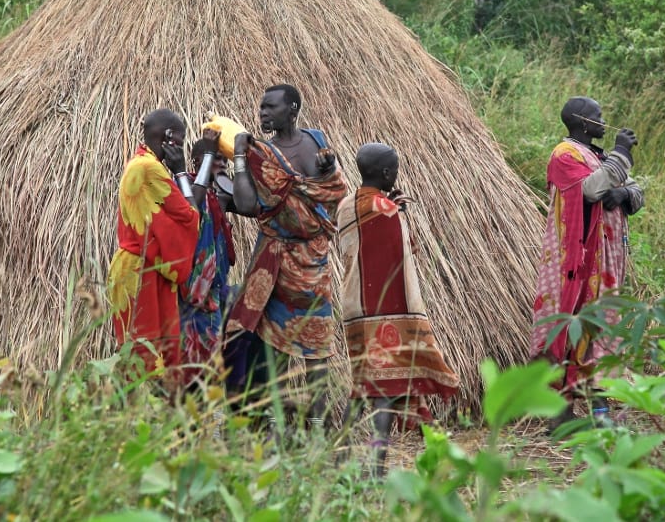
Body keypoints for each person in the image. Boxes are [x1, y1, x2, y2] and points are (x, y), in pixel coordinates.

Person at [225, 84, 349, 431]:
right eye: (262, 107)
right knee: (271, 346)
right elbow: (247, 205)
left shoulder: (317, 140)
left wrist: (329, 170)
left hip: (314, 264)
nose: (263, 113)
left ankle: (317, 424)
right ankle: (270, 424)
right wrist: (239, 157)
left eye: (271, 107)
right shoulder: (262, 154)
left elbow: (335, 191)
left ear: (292, 109)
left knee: (318, 351)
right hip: (277, 265)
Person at [336, 143, 459, 477]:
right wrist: (399, 210)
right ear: (388, 173)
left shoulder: (345, 205)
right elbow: (403, 250)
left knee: (363, 384)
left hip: (355, 308)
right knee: (386, 390)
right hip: (385, 310)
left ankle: (338, 459)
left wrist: (394, 208)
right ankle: (377, 468)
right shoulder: (387, 209)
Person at [530, 96, 643, 422]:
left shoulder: (599, 156)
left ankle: (599, 413)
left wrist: (623, 193)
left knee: (600, 331)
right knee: (570, 328)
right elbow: (592, 190)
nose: (603, 121)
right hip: (577, 263)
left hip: (605, 264)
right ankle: (560, 417)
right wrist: (621, 153)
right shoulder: (565, 155)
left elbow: (635, 192)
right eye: (598, 116)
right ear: (582, 121)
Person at [106, 109, 202, 388]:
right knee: (147, 361)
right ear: (169, 136)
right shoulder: (149, 169)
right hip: (143, 273)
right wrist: (181, 171)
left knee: (138, 356)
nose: (181, 147)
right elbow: (190, 217)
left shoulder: (138, 163)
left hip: (133, 268)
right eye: (180, 140)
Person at [178, 132, 237, 387]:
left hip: (214, 293)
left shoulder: (218, 195)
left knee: (212, 365)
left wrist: (242, 161)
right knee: (193, 366)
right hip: (192, 294)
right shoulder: (185, 188)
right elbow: (193, 206)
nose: (222, 163)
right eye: (215, 158)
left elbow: (252, 204)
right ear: (197, 162)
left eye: (225, 159)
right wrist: (210, 154)